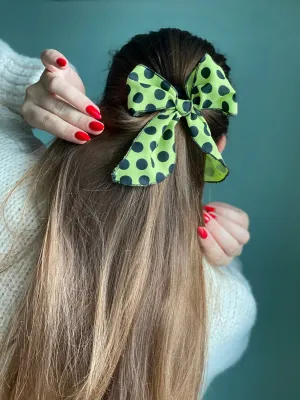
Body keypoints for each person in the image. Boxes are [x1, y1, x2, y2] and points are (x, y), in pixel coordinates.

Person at [0, 28, 256, 399]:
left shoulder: (6, 178)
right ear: (215, 149)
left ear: (100, 106)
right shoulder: (229, 308)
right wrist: (224, 263)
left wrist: (23, 82)